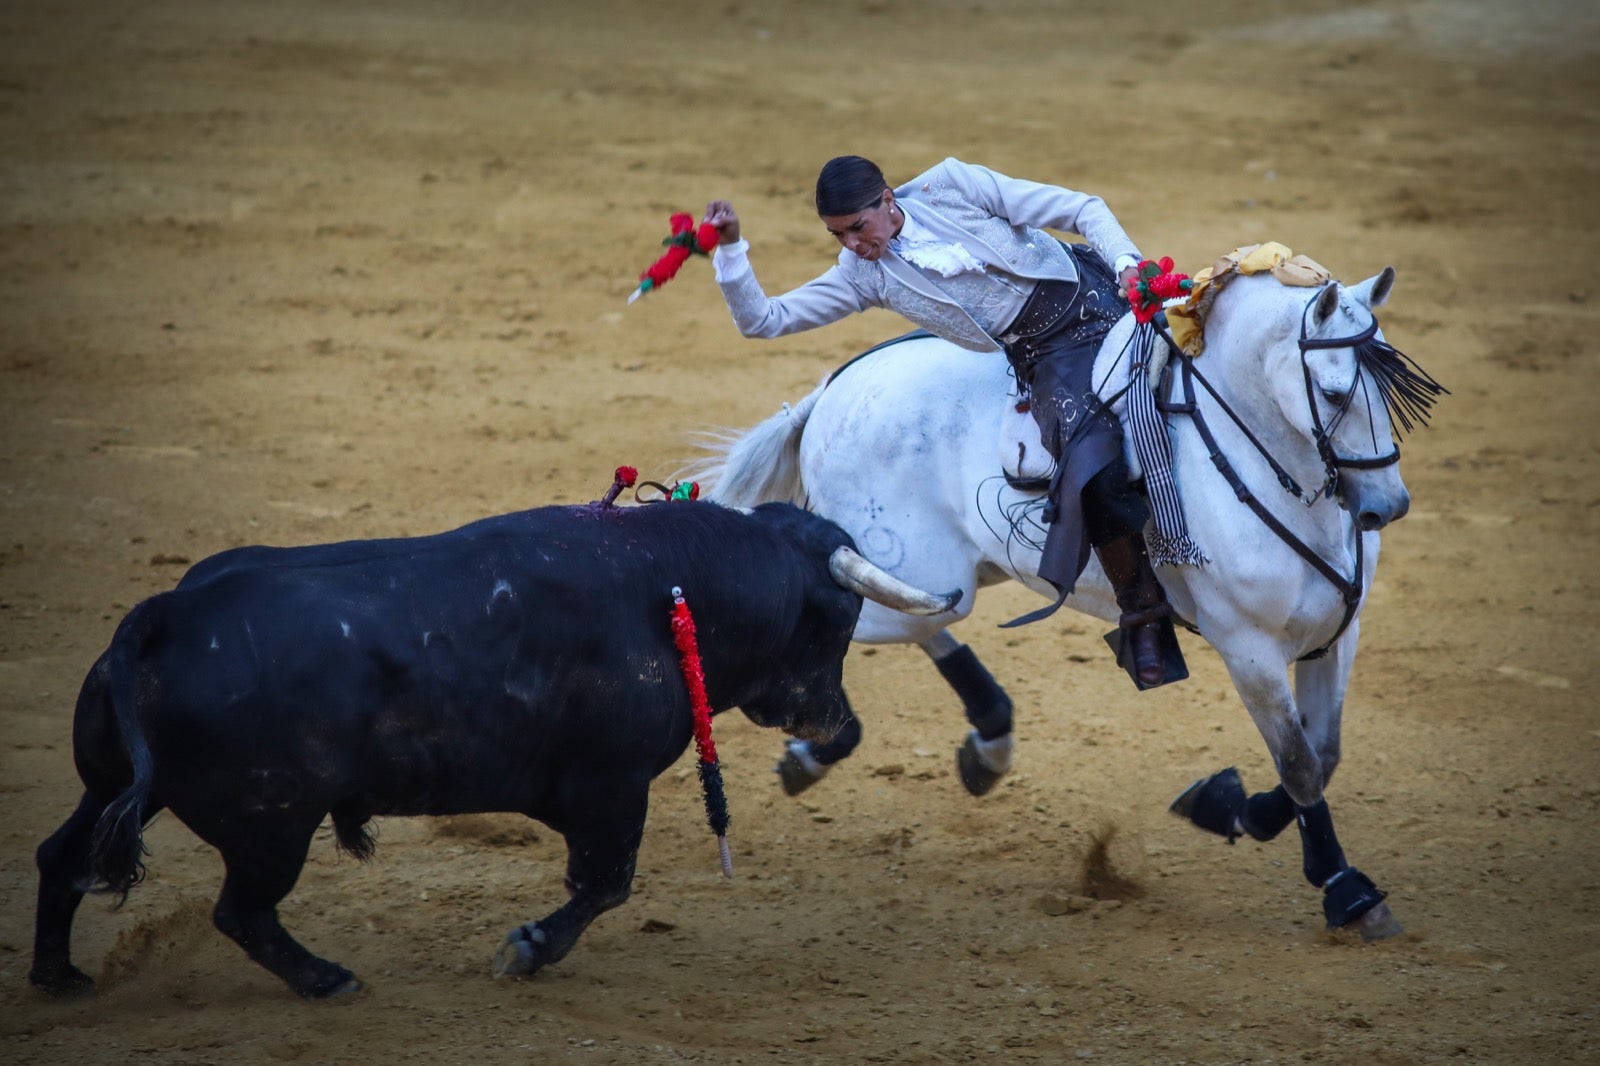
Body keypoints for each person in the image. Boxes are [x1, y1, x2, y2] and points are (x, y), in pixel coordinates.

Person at [704, 155, 1180, 689]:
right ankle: (1143, 614)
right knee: (1093, 466)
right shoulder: (864, 277)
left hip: (1097, 287)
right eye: (837, 236)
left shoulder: (950, 184)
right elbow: (763, 321)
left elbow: (1081, 209)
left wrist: (1126, 263)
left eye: (858, 228)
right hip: (1048, 356)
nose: (853, 246)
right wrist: (730, 248)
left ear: (888, 201)